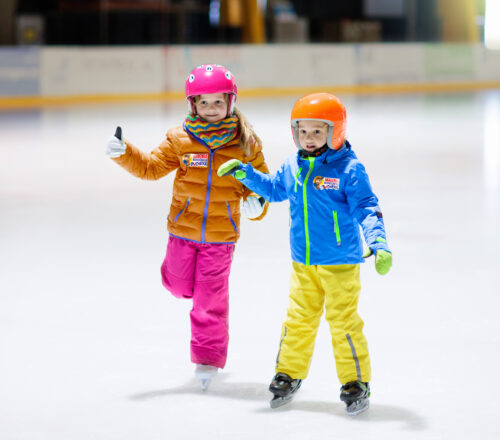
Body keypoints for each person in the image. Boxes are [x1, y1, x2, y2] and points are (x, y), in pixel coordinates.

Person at [217, 92, 392, 414]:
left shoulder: (350, 169)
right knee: (298, 320)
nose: (308, 138)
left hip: (340, 263)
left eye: (317, 131)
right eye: (302, 131)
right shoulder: (292, 164)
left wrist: (378, 243)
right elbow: (274, 190)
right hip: (303, 263)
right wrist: (246, 174)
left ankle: (356, 381)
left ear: (335, 131)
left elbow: (367, 208)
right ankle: (288, 373)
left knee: (343, 323)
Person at [105, 64, 269, 390]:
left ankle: (207, 359)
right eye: (203, 103)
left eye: (218, 102)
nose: (211, 109)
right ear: (192, 104)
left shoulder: (245, 144)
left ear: (231, 103)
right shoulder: (181, 140)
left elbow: (262, 185)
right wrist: (124, 154)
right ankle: (185, 288)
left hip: (221, 239)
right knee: (178, 285)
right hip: (182, 231)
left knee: (210, 301)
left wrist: (258, 205)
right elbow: (151, 167)